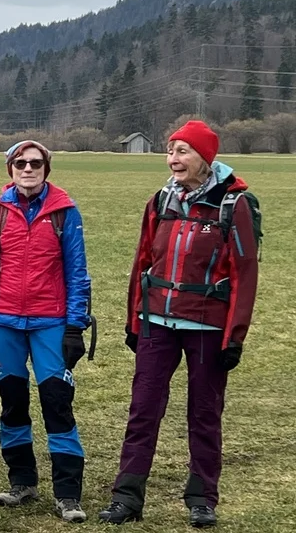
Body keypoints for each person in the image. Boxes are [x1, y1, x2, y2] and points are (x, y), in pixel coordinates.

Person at [98, 121, 259, 529]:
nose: (174, 159)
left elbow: (244, 272)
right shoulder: (160, 201)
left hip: (207, 326)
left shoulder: (233, 204)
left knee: (204, 413)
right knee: (143, 409)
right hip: (157, 323)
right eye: (171, 151)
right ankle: (127, 496)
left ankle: (202, 498)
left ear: (204, 158)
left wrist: (234, 336)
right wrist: (134, 320)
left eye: (183, 151)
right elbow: (142, 263)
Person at [0, 140, 92, 524]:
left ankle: (67, 493)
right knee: (13, 403)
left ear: (46, 169)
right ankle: (22, 480)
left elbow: (77, 274)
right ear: (11, 169)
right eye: (20, 163)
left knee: (57, 402)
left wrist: (75, 326)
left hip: (50, 322)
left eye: (35, 163)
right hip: (2, 321)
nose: (28, 169)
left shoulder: (65, 213)